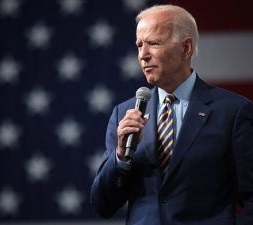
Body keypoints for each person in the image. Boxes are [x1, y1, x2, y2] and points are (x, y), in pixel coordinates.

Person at [90, 4, 253, 225]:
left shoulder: (233, 111)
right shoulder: (124, 114)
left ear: (186, 48)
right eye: (139, 45)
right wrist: (120, 156)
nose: (143, 55)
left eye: (154, 43)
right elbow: (103, 204)